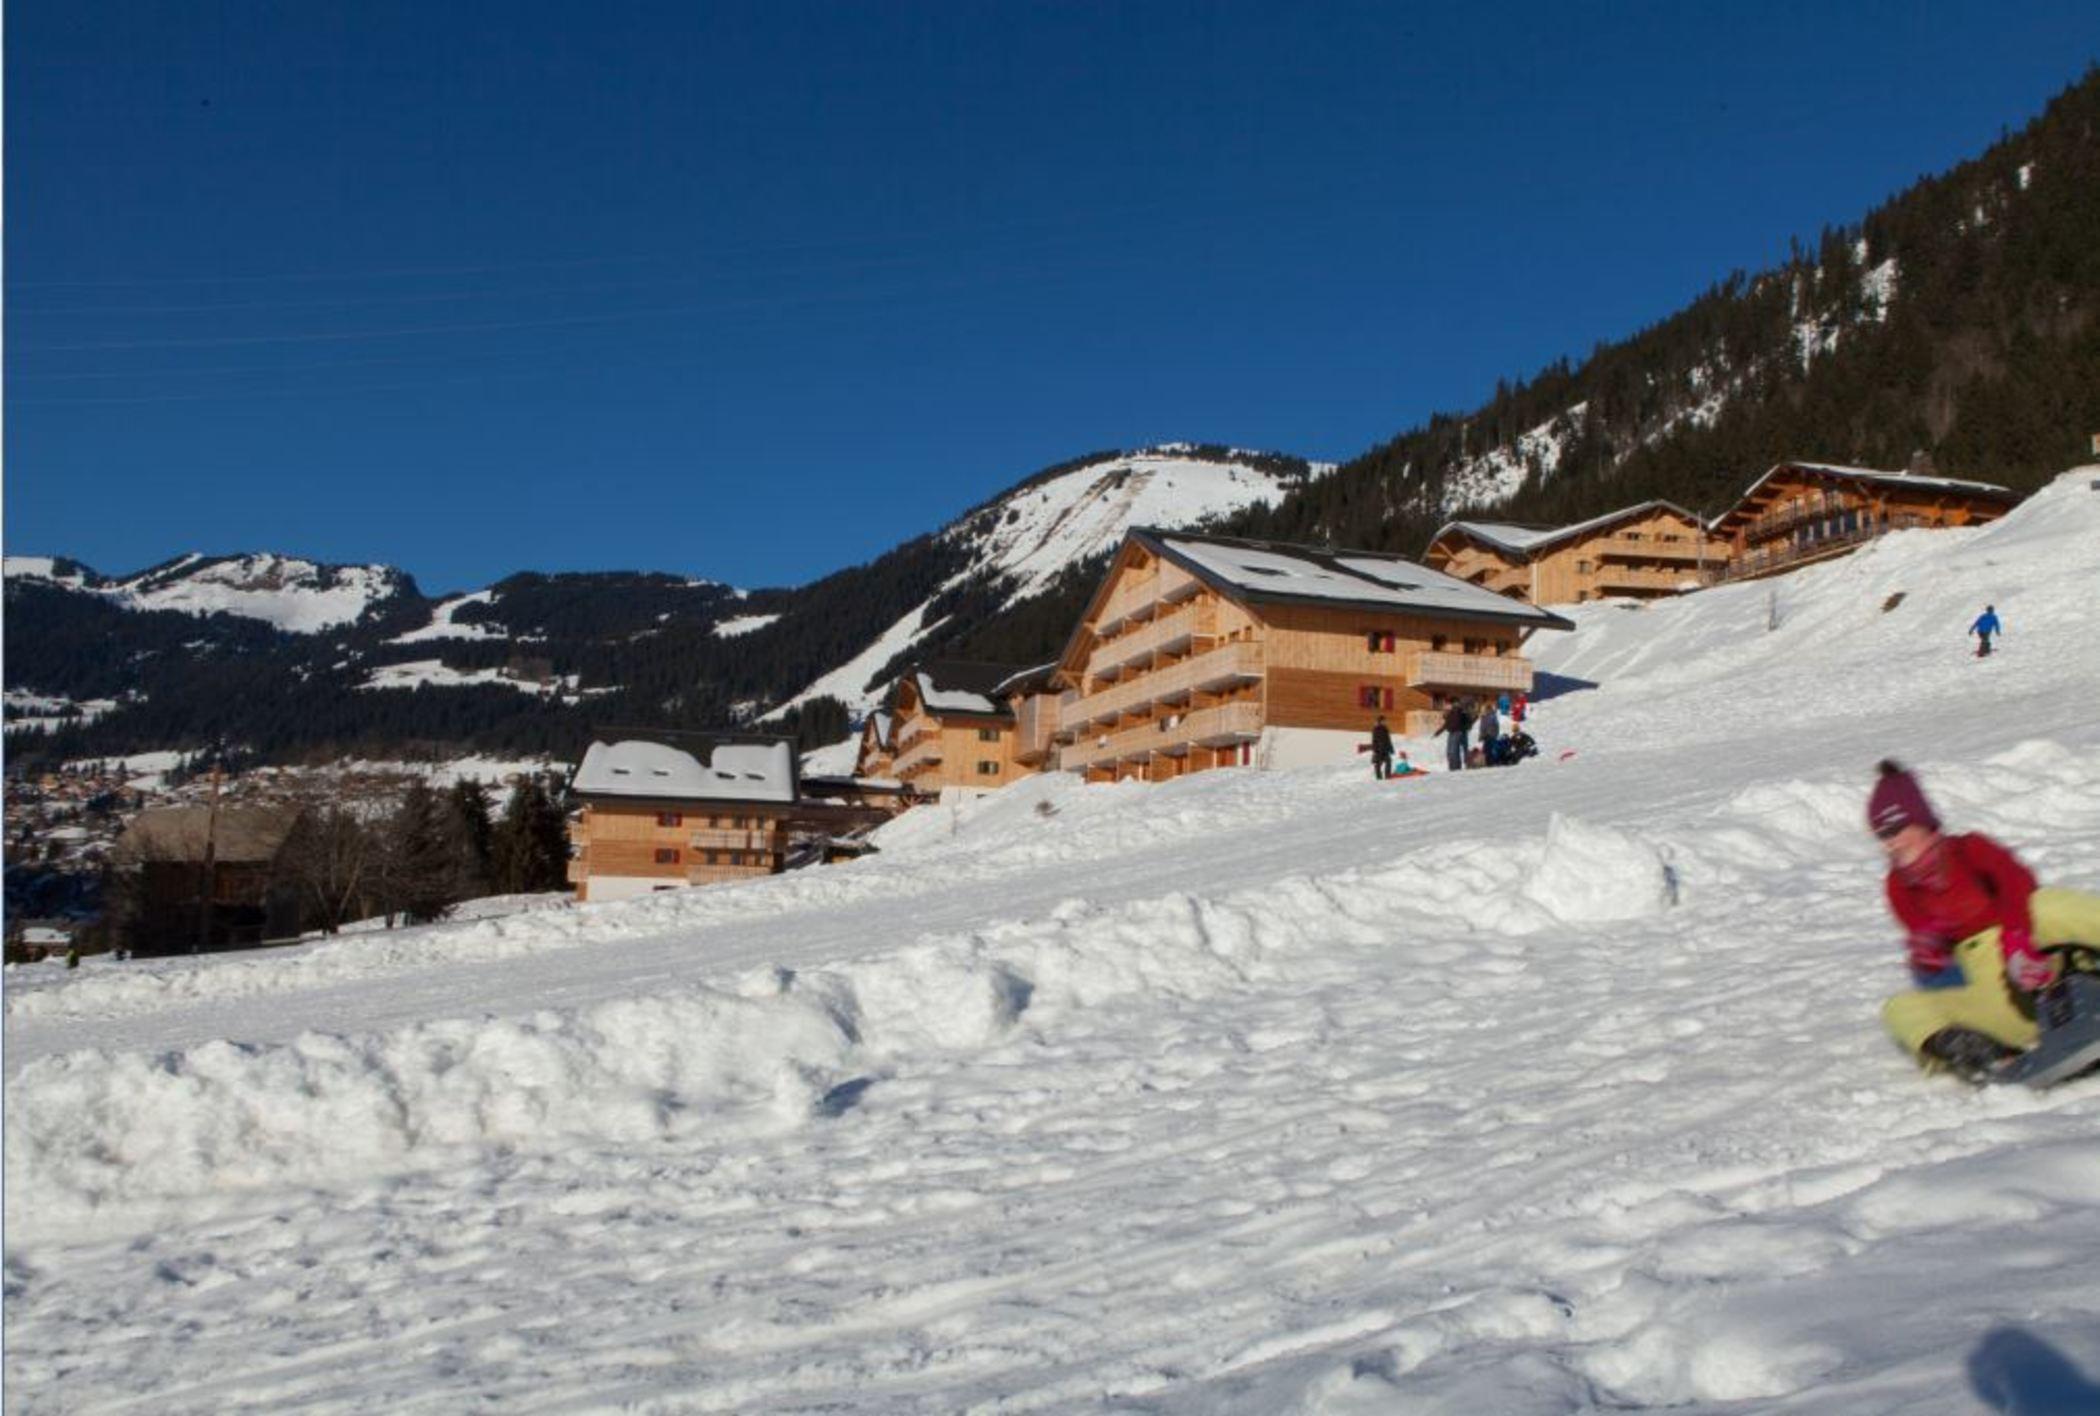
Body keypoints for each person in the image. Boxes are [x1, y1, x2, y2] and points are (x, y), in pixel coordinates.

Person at [1871, 760, 2100, 1079]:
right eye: (1881, 834)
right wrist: (1932, 961)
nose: (1889, 842)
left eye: (1894, 830)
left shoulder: (1969, 850)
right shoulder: (1898, 886)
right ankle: (1980, 1055)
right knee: (1899, 1006)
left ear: (1919, 821)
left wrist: (2017, 942)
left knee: (2044, 905)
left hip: (2041, 958)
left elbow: (2017, 884)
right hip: (1995, 994)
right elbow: (1946, 976)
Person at [1434, 700, 1471, 771]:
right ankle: (1452, 767)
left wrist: (1462, 730)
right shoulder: (1452, 713)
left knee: (1454, 751)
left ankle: (1456, 767)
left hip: (1457, 733)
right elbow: (1446, 724)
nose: (1445, 709)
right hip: (1452, 733)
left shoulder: (1457, 712)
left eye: (1447, 706)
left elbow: (1455, 722)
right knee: (1450, 751)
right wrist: (1438, 733)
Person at [1368, 715, 1395, 780]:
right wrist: (1375, 749)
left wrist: (1391, 748)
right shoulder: (1376, 729)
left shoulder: (1385, 729)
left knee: (1389, 761)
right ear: (1380, 721)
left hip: (1385, 749)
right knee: (1378, 764)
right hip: (1379, 749)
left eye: (1385, 721)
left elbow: (1388, 739)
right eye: (1384, 721)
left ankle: (1387, 776)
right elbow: (1374, 740)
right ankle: (1379, 777)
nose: (1385, 722)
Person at [1477, 699, 1502, 766]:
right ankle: (1490, 762)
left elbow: (1484, 727)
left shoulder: (1488, 716)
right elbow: (1483, 728)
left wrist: (1481, 736)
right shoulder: (1489, 716)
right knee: (1489, 749)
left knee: (1488, 749)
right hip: (1489, 735)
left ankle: (1490, 762)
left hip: (1489, 735)